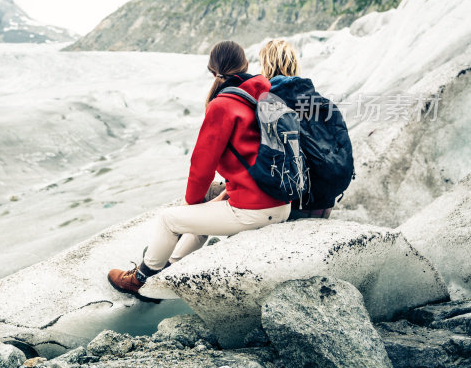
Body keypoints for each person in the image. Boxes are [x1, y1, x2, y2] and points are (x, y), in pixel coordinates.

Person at [107, 41, 292, 299]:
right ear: (246, 66)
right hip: (282, 203)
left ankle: (139, 279)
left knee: (168, 220)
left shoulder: (223, 105)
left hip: (255, 211)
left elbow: (201, 167)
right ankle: (171, 267)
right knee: (205, 209)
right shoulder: (268, 97)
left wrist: (191, 204)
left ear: (211, 70)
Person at [259, 39, 352, 219]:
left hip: (287, 207)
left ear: (266, 66)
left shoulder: (266, 106)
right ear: (294, 64)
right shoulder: (324, 104)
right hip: (324, 205)